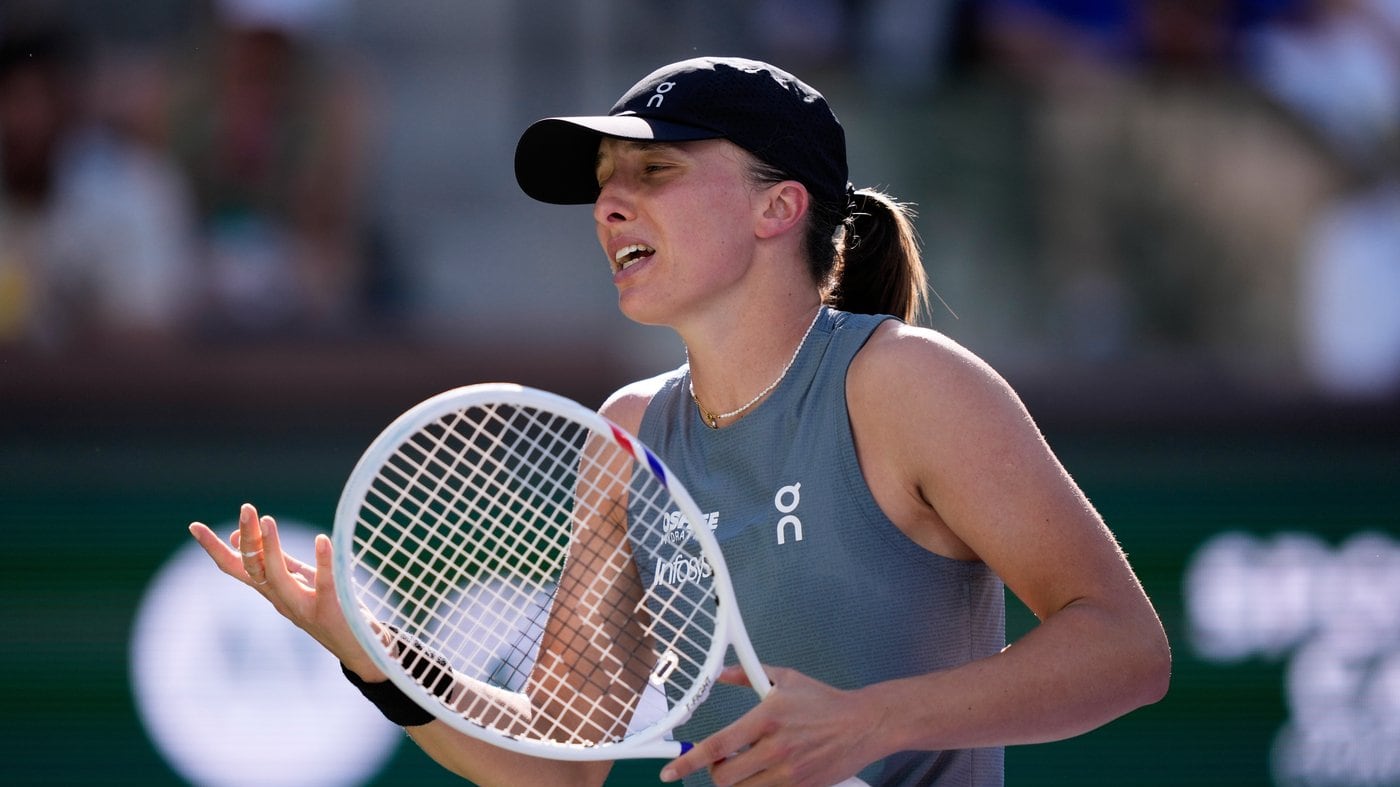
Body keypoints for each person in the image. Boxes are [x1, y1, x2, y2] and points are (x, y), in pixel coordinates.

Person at [190, 56, 1170, 786]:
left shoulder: (905, 383)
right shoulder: (627, 433)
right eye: (603, 181)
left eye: (652, 171)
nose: (607, 205)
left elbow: (1125, 647)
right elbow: (559, 764)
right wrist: (379, 657)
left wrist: (870, 721)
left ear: (776, 207)